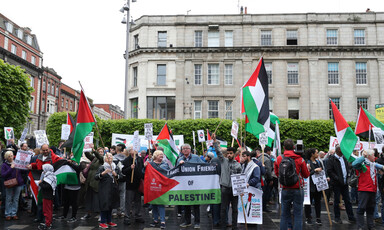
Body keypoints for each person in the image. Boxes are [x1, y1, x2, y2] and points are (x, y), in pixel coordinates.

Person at [274, 139, 310, 230]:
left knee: (284, 214)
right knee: (298, 214)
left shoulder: (279, 158)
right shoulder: (300, 159)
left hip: (285, 188)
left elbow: (277, 173)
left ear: (284, 147)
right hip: (298, 188)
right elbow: (306, 175)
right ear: (294, 147)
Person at [212, 134, 242, 230]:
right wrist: (215, 141)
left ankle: (234, 226)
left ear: (234, 154)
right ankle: (223, 225)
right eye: (228, 153)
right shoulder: (223, 161)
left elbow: (240, 179)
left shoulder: (238, 165)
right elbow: (218, 151)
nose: (229, 155)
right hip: (225, 188)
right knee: (223, 208)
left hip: (234, 190)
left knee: (235, 209)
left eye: (231, 153)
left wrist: (241, 189)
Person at [352, 149, 384, 230]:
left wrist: (380, 174)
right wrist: (363, 156)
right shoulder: (362, 164)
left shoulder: (373, 165)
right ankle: (360, 226)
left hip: (372, 190)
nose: (375, 157)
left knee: (371, 209)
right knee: (361, 208)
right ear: (369, 156)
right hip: (364, 189)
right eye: (373, 155)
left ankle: (371, 226)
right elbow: (354, 164)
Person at [326, 145, 356, 224]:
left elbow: (348, 168)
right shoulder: (332, 159)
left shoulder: (344, 158)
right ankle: (337, 217)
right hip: (336, 183)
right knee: (336, 201)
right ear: (338, 150)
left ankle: (351, 217)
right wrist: (336, 178)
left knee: (347, 200)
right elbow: (329, 170)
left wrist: (347, 177)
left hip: (345, 182)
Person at [177, 143, 204, 229]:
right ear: (181, 150)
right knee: (186, 204)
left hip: (195, 185)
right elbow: (175, 171)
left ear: (190, 150)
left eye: (187, 148)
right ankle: (187, 221)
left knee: (196, 205)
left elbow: (203, 166)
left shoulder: (196, 157)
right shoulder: (180, 159)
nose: (185, 150)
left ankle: (197, 222)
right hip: (185, 186)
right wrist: (179, 165)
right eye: (183, 148)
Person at [145, 150, 170, 229]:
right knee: (154, 204)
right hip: (152, 187)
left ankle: (162, 221)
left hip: (161, 187)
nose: (162, 157)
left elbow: (167, 173)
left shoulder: (165, 164)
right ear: (155, 156)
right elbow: (143, 173)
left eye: (162, 156)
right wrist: (145, 166)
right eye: (160, 155)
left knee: (160, 204)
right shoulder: (150, 164)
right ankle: (155, 219)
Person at [95, 152, 120, 229]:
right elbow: (96, 177)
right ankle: (102, 222)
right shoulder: (102, 167)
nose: (109, 157)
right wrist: (103, 173)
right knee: (104, 205)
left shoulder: (115, 167)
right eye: (107, 156)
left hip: (113, 189)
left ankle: (109, 221)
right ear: (105, 159)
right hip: (104, 189)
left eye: (110, 156)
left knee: (111, 205)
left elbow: (121, 177)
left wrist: (116, 175)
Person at [56, 153, 82, 223]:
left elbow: (78, 169)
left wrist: (70, 164)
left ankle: (73, 216)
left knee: (74, 202)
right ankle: (64, 215)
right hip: (67, 185)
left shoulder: (79, 163)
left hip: (75, 186)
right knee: (66, 202)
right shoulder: (67, 163)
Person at [122, 146, 145, 225]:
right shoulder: (126, 160)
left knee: (138, 201)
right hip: (130, 184)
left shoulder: (139, 159)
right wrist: (130, 168)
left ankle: (137, 215)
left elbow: (141, 170)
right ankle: (127, 217)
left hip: (138, 183)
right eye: (133, 149)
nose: (135, 150)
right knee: (128, 201)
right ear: (129, 151)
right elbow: (123, 171)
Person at [81, 146, 104, 220]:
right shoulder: (94, 159)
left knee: (98, 199)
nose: (100, 153)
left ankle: (101, 214)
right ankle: (88, 213)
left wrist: (95, 151)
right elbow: (88, 155)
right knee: (88, 198)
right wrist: (86, 149)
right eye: (99, 152)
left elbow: (100, 157)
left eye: (101, 152)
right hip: (90, 181)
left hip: (97, 182)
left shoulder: (103, 159)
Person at [1, 151, 24, 220]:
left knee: (16, 199)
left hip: (18, 183)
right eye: (9, 156)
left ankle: (14, 213)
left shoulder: (17, 163)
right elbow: (3, 175)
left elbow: (22, 172)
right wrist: (11, 168)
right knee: (9, 199)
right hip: (9, 183)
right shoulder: (4, 165)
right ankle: (8, 214)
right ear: (6, 158)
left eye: (12, 155)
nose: (11, 157)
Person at [304, 148, 323, 226]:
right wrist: (314, 170)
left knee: (318, 202)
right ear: (312, 154)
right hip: (310, 186)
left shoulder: (318, 162)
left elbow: (322, 171)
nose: (317, 154)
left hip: (318, 185)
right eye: (316, 153)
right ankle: (308, 217)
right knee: (309, 202)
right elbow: (306, 174)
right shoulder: (307, 163)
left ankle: (318, 217)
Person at [38, 164, 57, 230]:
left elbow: (47, 186)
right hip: (50, 196)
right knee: (49, 210)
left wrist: (40, 183)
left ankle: (48, 223)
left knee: (47, 210)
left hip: (47, 196)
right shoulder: (52, 175)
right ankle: (49, 222)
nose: (43, 171)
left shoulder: (48, 177)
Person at [112, 144, 128, 218]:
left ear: (116, 150)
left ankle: (114, 211)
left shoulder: (113, 158)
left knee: (114, 194)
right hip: (123, 178)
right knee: (122, 195)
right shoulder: (126, 158)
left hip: (115, 178)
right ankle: (122, 211)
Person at [258, 146, 274, 212]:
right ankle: (264, 207)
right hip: (265, 179)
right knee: (265, 193)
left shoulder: (259, 158)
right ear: (268, 151)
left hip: (260, 178)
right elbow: (269, 170)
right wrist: (270, 179)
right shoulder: (267, 159)